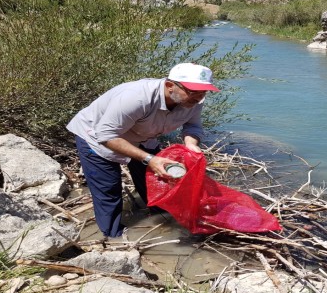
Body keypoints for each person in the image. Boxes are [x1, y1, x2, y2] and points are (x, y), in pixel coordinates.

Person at [66, 63, 219, 238]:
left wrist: (191, 144)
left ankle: (160, 218)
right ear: (170, 86)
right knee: (109, 192)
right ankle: (113, 237)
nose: (199, 97)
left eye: (204, 92)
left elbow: (193, 126)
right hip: (96, 136)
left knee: (157, 182)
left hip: (143, 136)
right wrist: (149, 159)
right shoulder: (136, 98)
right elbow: (106, 135)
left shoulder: (193, 101)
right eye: (193, 91)